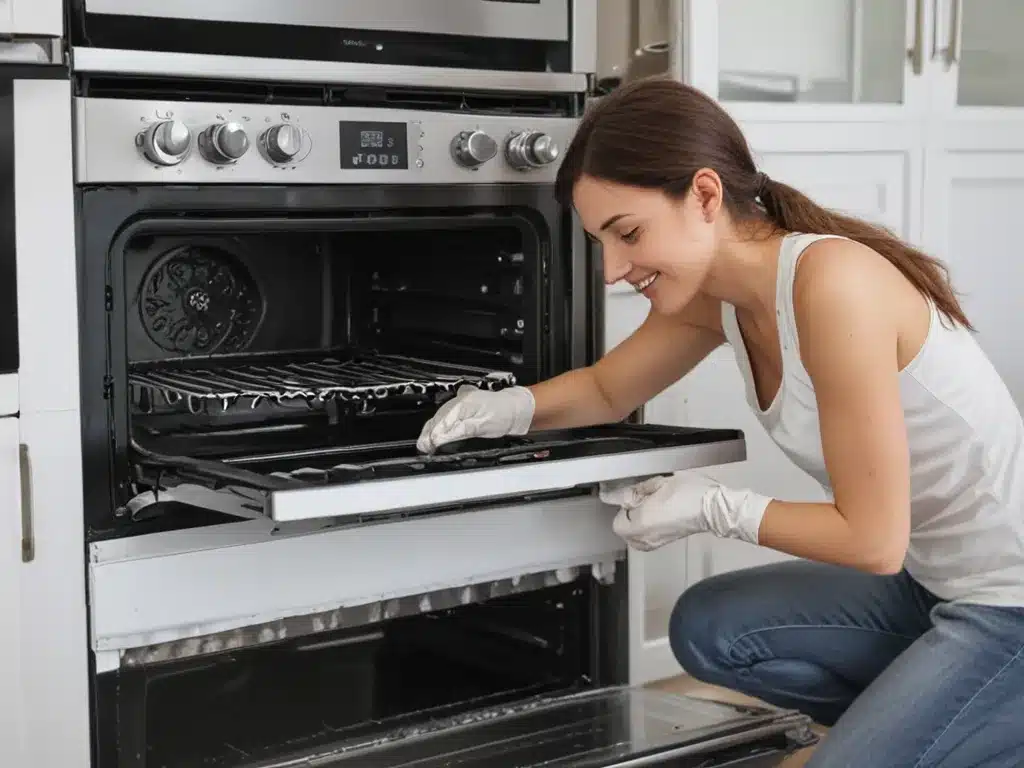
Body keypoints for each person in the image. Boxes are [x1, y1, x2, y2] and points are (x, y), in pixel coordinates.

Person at [415, 77, 1024, 767]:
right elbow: (609, 389)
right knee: (709, 629)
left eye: (628, 233)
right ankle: (936, 728)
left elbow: (875, 540)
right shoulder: (716, 298)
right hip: (929, 584)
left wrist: (715, 507)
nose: (613, 269)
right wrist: (512, 406)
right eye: (600, 243)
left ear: (705, 195)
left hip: (1011, 603)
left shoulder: (833, 286)